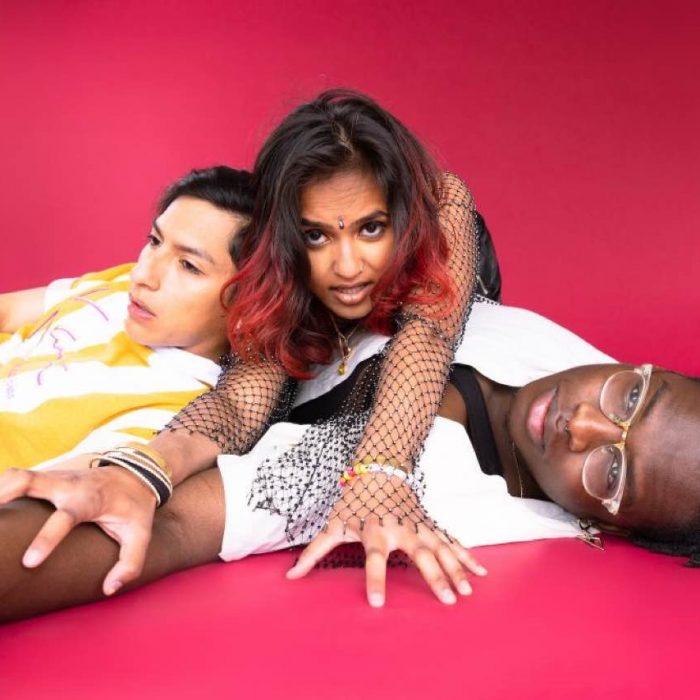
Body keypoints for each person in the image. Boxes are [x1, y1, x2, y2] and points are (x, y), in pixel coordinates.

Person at [0, 88, 488, 607]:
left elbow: (427, 335)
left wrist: (380, 474)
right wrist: (139, 472)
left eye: (371, 229)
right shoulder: (282, 268)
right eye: (316, 236)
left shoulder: (440, 200)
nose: (348, 268)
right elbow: (237, 403)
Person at [2, 299, 699, 622]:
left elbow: (182, 525)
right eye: (633, 394)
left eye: (613, 471)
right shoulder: (582, 364)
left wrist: (123, 485)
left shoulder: (424, 483)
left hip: (181, 367)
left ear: (616, 523)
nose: (583, 424)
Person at [0, 165, 253, 473]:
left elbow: (38, 491)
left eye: (188, 265)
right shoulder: (125, 286)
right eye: (155, 241)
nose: (141, 274)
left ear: (249, 302)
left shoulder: (173, 417)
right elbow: (8, 311)